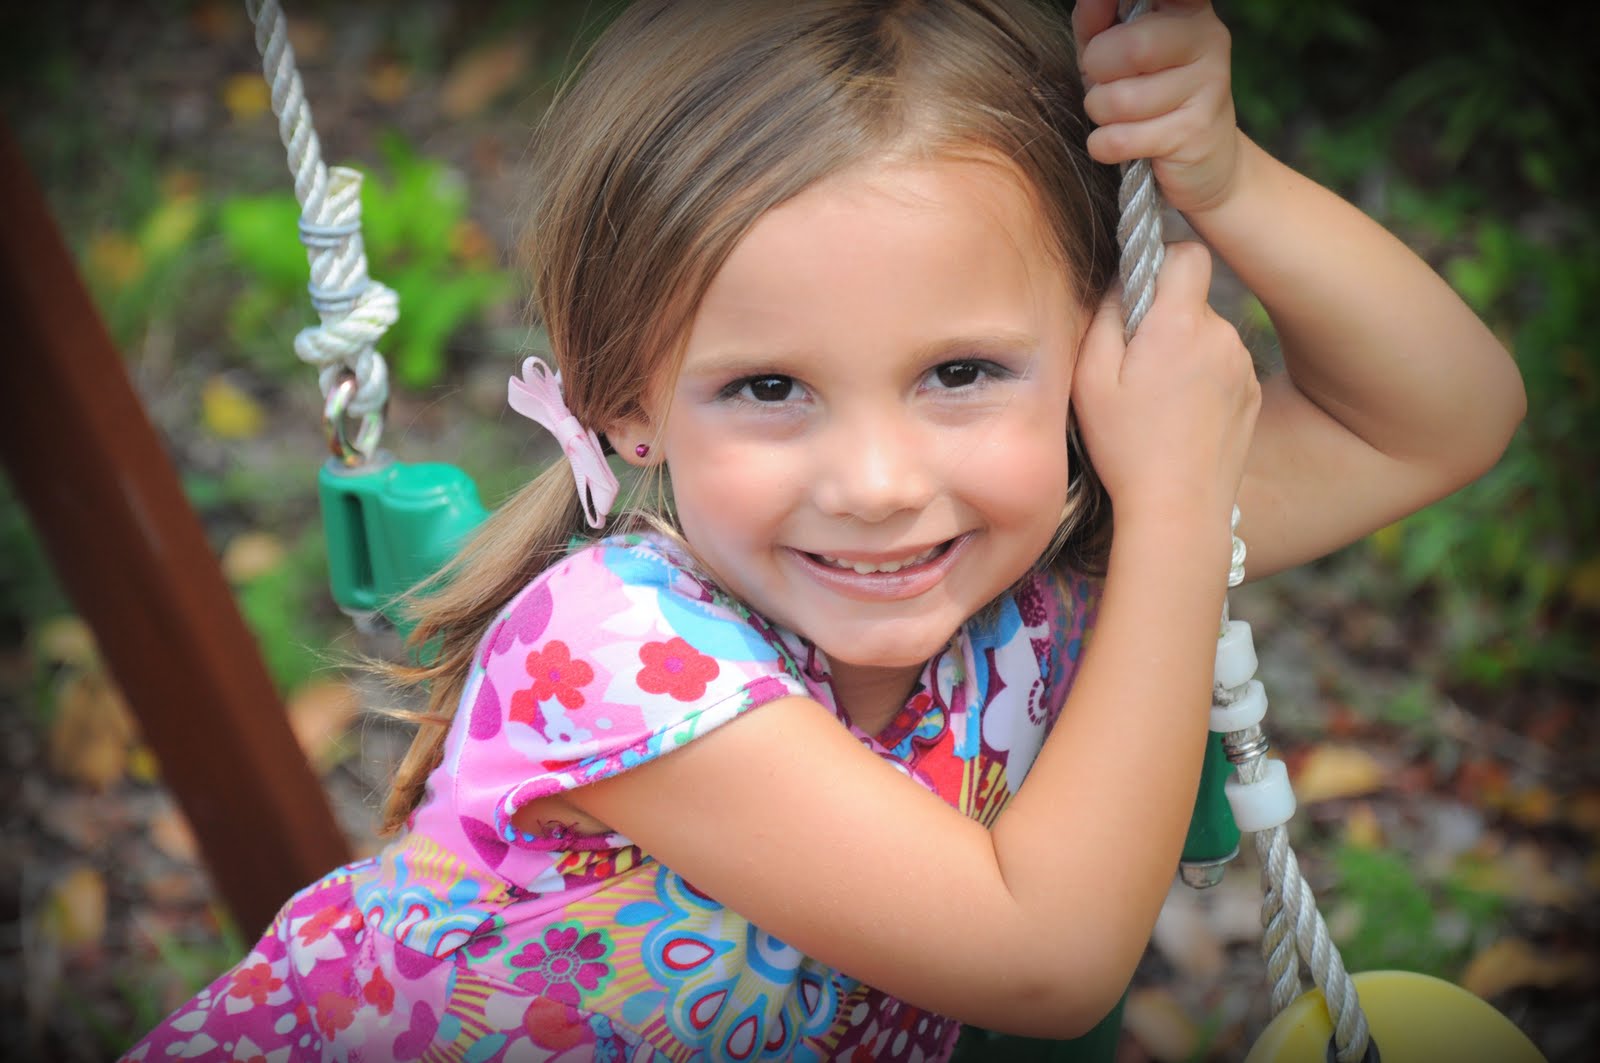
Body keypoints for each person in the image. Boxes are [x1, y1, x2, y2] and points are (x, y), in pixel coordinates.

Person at [126, 0, 1524, 1059]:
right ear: (628, 402)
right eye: (771, 389)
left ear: (1087, 350)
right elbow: (1046, 959)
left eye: (962, 373)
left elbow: (1441, 417)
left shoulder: (1036, 574)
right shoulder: (613, 652)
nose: (875, 480)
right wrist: (1171, 506)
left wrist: (1222, 176)